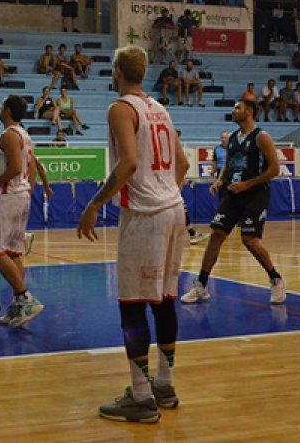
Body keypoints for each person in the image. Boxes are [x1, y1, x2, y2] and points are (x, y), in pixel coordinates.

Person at [77, 44, 189, 424]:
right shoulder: (162, 109)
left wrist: (94, 203)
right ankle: (165, 385)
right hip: (175, 209)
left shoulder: (120, 108)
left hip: (146, 216)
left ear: (117, 72)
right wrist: (166, 191)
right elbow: (184, 163)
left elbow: (129, 162)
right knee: (165, 299)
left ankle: (141, 397)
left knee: (132, 305)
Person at [181, 99, 287, 305]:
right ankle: (201, 285)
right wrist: (220, 181)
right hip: (233, 192)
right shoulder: (231, 139)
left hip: (255, 193)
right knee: (216, 235)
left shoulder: (261, 137)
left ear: (249, 112)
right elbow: (228, 166)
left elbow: (274, 169)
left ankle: (276, 278)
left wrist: (247, 185)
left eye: (237, 108)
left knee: (249, 239)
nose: (233, 111)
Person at [0, 95, 45, 327]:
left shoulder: (9, 135)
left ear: (7, 110)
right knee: (14, 252)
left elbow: (16, 167)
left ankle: (25, 297)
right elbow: (33, 165)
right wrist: (29, 191)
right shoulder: (24, 134)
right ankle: (18, 306)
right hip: (21, 195)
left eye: (1, 105)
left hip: (9, 196)